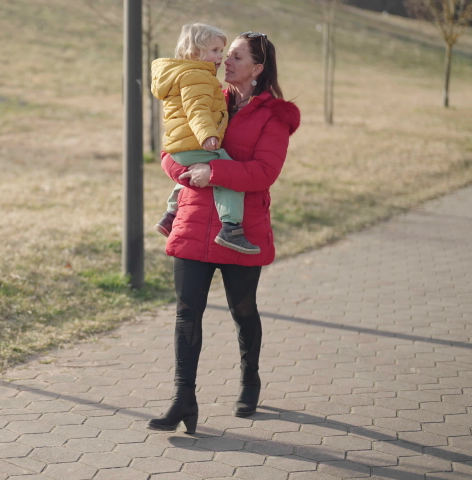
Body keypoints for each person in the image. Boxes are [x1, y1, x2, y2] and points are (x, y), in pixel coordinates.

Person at [147, 31, 301, 433]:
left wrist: (213, 171)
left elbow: (265, 173)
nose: (226, 62)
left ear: (257, 68)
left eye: (235, 56)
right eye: (226, 54)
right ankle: (184, 400)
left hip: (241, 229)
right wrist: (182, 171)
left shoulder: (274, 115)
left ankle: (250, 378)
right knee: (186, 313)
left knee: (242, 309)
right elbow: (171, 147)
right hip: (195, 220)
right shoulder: (206, 92)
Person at [152, 23, 259, 255]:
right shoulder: (197, 76)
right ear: (194, 52)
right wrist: (207, 134)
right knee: (228, 173)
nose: (221, 57)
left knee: (193, 170)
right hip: (194, 141)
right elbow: (197, 109)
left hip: (181, 145)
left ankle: (170, 215)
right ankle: (231, 227)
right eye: (215, 51)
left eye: (222, 51)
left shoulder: (185, 74)